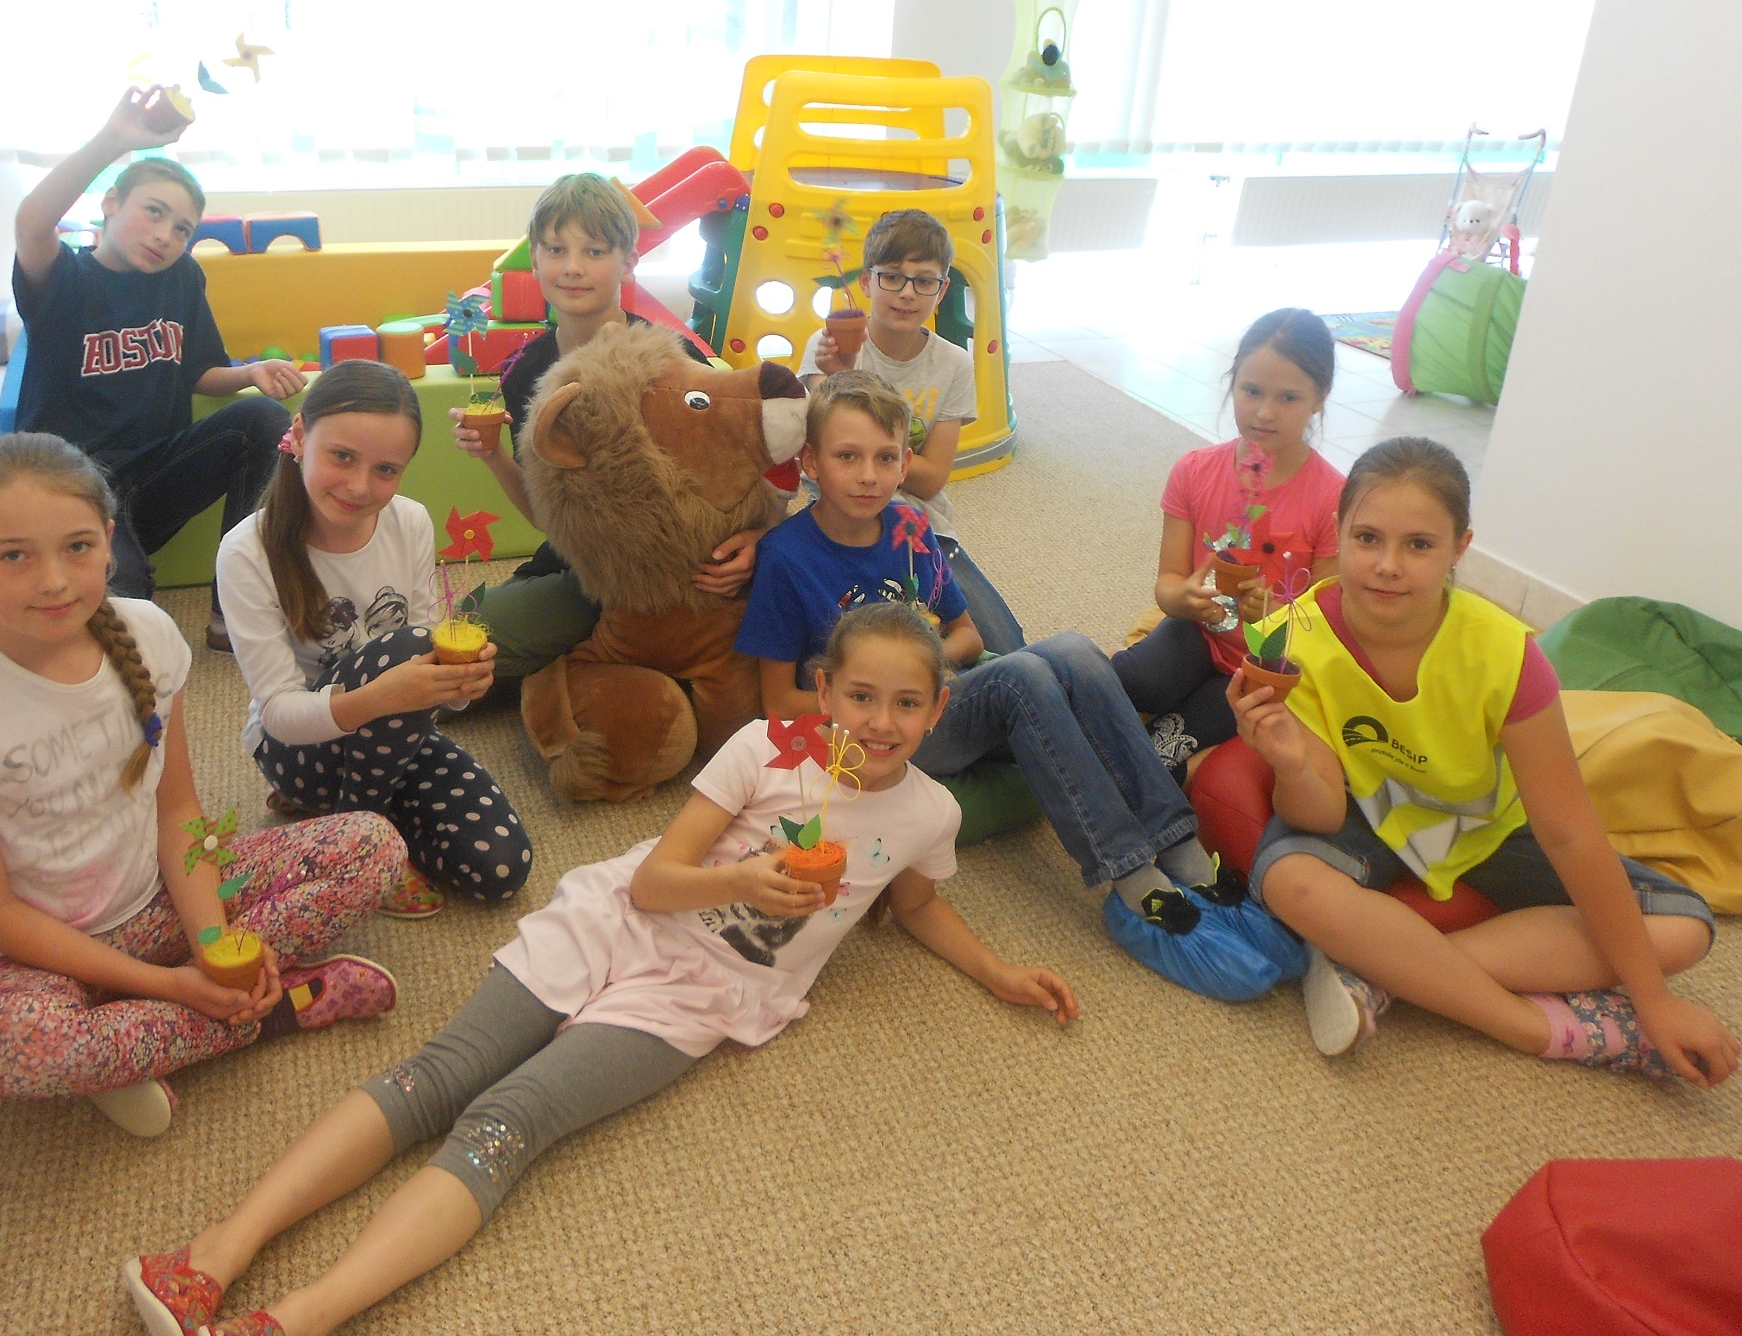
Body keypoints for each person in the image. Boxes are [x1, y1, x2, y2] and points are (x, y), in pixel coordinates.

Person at [121, 604, 1076, 1336]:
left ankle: (295, 1320)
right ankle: (217, 1251)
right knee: (438, 1075)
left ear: (939, 708)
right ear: (823, 692)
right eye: (861, 697)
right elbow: (658, 882)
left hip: (701, 994)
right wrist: (745, 878)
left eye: (907, 703)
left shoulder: (930, 813)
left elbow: (916, 905)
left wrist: (994, 970)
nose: (881, 722)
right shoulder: (762, 750)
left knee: (508, 1123)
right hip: (620, 918)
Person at [0, 434, 406, 1140]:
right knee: (23, 1047)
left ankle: (141, 1035)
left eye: (77, 547)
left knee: (373, 847)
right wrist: (173, 982)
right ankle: (273, 1005)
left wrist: (214, 947)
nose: (53, 581)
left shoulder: (149, 634)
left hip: (153, 906)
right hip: (26, 956)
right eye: (14, 556)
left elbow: (178, 812)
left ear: (109, 541)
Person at [735, 371, 1292, 1001]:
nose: (868, 476)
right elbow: (778, 704)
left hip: (934, 702)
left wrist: (920, 674)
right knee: (1024, 674)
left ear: (905, 464)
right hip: (867, 736)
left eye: (885, 458)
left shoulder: (910, 528)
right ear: (810, 462)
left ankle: (1180, 845)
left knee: (1075, 650)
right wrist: (887, 695)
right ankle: (1132, 877)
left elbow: (967, 635)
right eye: (847, 457)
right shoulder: (786, 556)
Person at [1231, 436, 1737, 1085]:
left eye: (1419, 545)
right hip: (1364, 813)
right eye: (1367, 538)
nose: (1387, 565)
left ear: (1459, 548)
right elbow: (1320, 814)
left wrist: (1655, 1000)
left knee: (1684, 928)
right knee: (1290, 880)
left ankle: (1384, 968)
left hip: (1484, 825)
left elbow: (1569, 831)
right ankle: (1531, 1027)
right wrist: (1291, 762)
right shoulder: (1292, 638)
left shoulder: (1507, 653)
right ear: (1338, 531)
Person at [215, 359, 532, 918]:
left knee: (501, 868)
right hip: (298, 749)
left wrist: (459, 682)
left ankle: (349, 818)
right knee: (410, 646)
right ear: (298, 435)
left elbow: (429, 673)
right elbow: (281, 714)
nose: (360, 486)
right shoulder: (247, 552)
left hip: (394, 739)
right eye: (342, 456)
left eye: (386, 469)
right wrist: (389, 694)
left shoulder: (409, 522)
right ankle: (355, 838)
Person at [12, 86, 304, 651]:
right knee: (128, 607)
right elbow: (30, 224)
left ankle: (233, 612)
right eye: (154, 212)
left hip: (149, 479)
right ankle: (115, 573)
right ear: (110, 204)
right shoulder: (65, 279)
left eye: (182, 229)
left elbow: (199, 373)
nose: (166, 236)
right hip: (68, 489)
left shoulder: (182, 278)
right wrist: (112, 141)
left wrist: (250, 373)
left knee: (265, 421)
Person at [448, 172, 765, 686]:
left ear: (629, 262)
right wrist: (492, 456)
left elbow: (741, 472)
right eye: (556, 250)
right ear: (534, 259)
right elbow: (548, 516)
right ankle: (599, 656)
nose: (572, 267)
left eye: (594, 251)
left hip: (678, 574)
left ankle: (603, 659)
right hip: (585, 566)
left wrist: (756, 539)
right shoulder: (526, 371)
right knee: (465, 643)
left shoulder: (670, 358)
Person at [1113, 308, 1343, 785]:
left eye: (1289, 397)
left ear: (1320, 398)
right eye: (1251, 391)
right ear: (1231, 382)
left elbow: (1326, 628)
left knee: (1160, 758)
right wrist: (1183, 598)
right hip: (1197, 632)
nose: (1264, 412)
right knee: (1125, 684)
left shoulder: (1334, 499)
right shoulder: (1194, 471)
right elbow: (1168, 584)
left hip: (1259, 667)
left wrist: (1275, 615)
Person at [799, 209, 1025, 654]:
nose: (907, 293)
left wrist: (867, 447)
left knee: (1007, 648)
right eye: (892, 277)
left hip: (927, 530)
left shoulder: (954, 364)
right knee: (847, 647)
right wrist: (840, 377)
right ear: (866, 282)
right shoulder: (832, 348)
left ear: (942, 291)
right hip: (846, 524)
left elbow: (933, 478)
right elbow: (826, 458)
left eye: (924, 281)